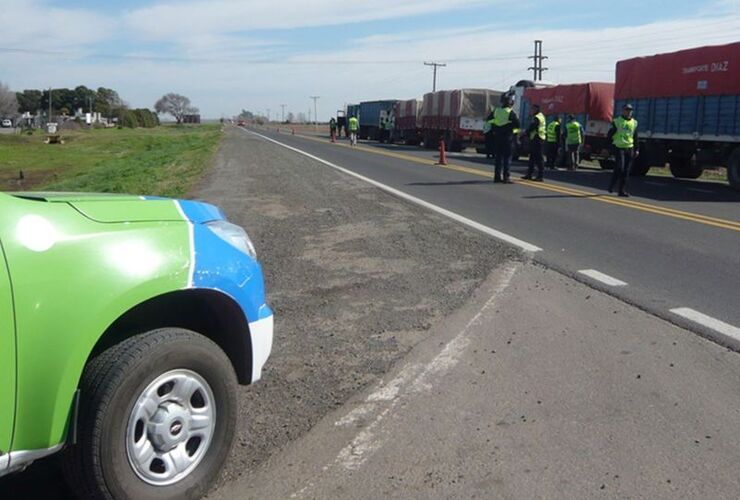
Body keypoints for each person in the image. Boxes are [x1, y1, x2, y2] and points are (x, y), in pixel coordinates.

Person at [607, 103, 639, 197]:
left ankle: (621, 191)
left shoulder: (634, 123)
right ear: (623, 111)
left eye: (630, 110)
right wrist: (609, 147)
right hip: (619, 147)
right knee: (619, 168)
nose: (628, 112)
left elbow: (635, 136)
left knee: (626, 170)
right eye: (626, 110)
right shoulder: (617, 121)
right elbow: (609, 135)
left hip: (629, 148)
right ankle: (612, 185)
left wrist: (637, 149)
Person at [491, 94, 521, 184]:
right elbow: (517, 124)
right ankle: (506, 177)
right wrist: (509, 127)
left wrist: (496, 127)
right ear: (509, 102)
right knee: (507, 158)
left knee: (498, 158)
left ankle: (496, 177)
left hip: (497, 137)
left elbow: (489, 120)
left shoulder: (496, 111)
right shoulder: (510, 112)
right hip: (507, 138)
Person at [522, 104, 546, 181]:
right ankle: (529, 174)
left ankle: (540, 176)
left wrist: (525, 133)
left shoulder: (537, 117)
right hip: (536, 138)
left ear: (536, 109)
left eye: (532, 109)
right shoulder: (540, 116)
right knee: (532, 157)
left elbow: (533, 127)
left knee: (539, 158)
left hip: (538, 138)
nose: (531, 111)